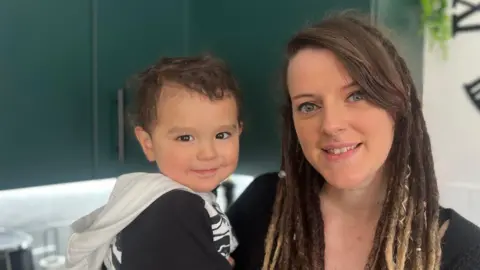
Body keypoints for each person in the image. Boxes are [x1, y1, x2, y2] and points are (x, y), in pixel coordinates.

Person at [227, 12, 480, 270]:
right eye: (308, 106)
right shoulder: (262, 208)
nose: (331, 125)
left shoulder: (464, 251)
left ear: (397, 105)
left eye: (356, 96)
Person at [65, 55, 242, 270]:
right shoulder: (174, 209)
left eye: (222, 135)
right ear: (148, 144)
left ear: (238, 131)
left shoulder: (179, 201)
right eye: (185, 138)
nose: (208, 153)